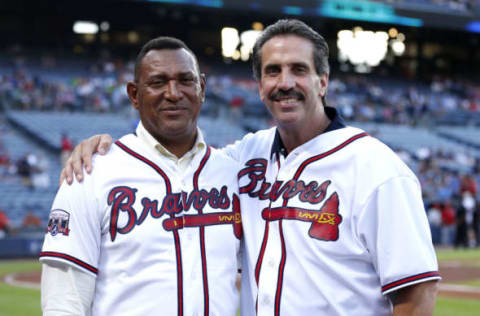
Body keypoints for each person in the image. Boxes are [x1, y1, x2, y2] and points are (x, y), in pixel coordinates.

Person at [61, 19, 440, 316]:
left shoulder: (377, 169)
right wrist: (101, 148)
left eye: (299, 70)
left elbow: (416, 293)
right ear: (259, 86)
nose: (285, 83)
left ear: (322, 81)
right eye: (273, 71)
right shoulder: (244, 156)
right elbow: (178, 156)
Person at [40, 37, 242, 316]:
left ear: (203, 89)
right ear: (134, 95)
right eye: (158, 82)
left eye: (185, 80)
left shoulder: (234, 175)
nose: (173, 93)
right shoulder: (92, 173)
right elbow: (64, 302)